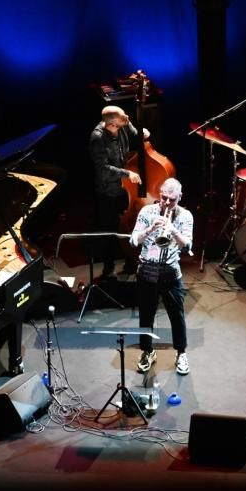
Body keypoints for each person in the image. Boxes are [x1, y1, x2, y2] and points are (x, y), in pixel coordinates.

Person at [131, 178, 194, 375]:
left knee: (177, 316)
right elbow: (133, 241)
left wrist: (172, 230)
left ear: (180, 197)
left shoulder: (185, 216)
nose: (166, 203)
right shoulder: (147, 211)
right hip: (147, 271)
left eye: (171, 200)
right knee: (146, 315)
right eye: (163, 197)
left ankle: (181, 353)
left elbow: (188, 246)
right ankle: (147, 351)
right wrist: (150, 229)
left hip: (170, 273)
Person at [88, 106, 147, 277]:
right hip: (108, 190)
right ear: (112, 124)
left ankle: (131, 261)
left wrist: (142, 133)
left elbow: (137, 136)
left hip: (125, 189)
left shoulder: (122, 126)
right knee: (109, 230)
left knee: (128, 226)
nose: (126, 117)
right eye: (122, 117)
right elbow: (103, 170)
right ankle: (109, 269)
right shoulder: (97, 138)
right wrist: (127, 174)